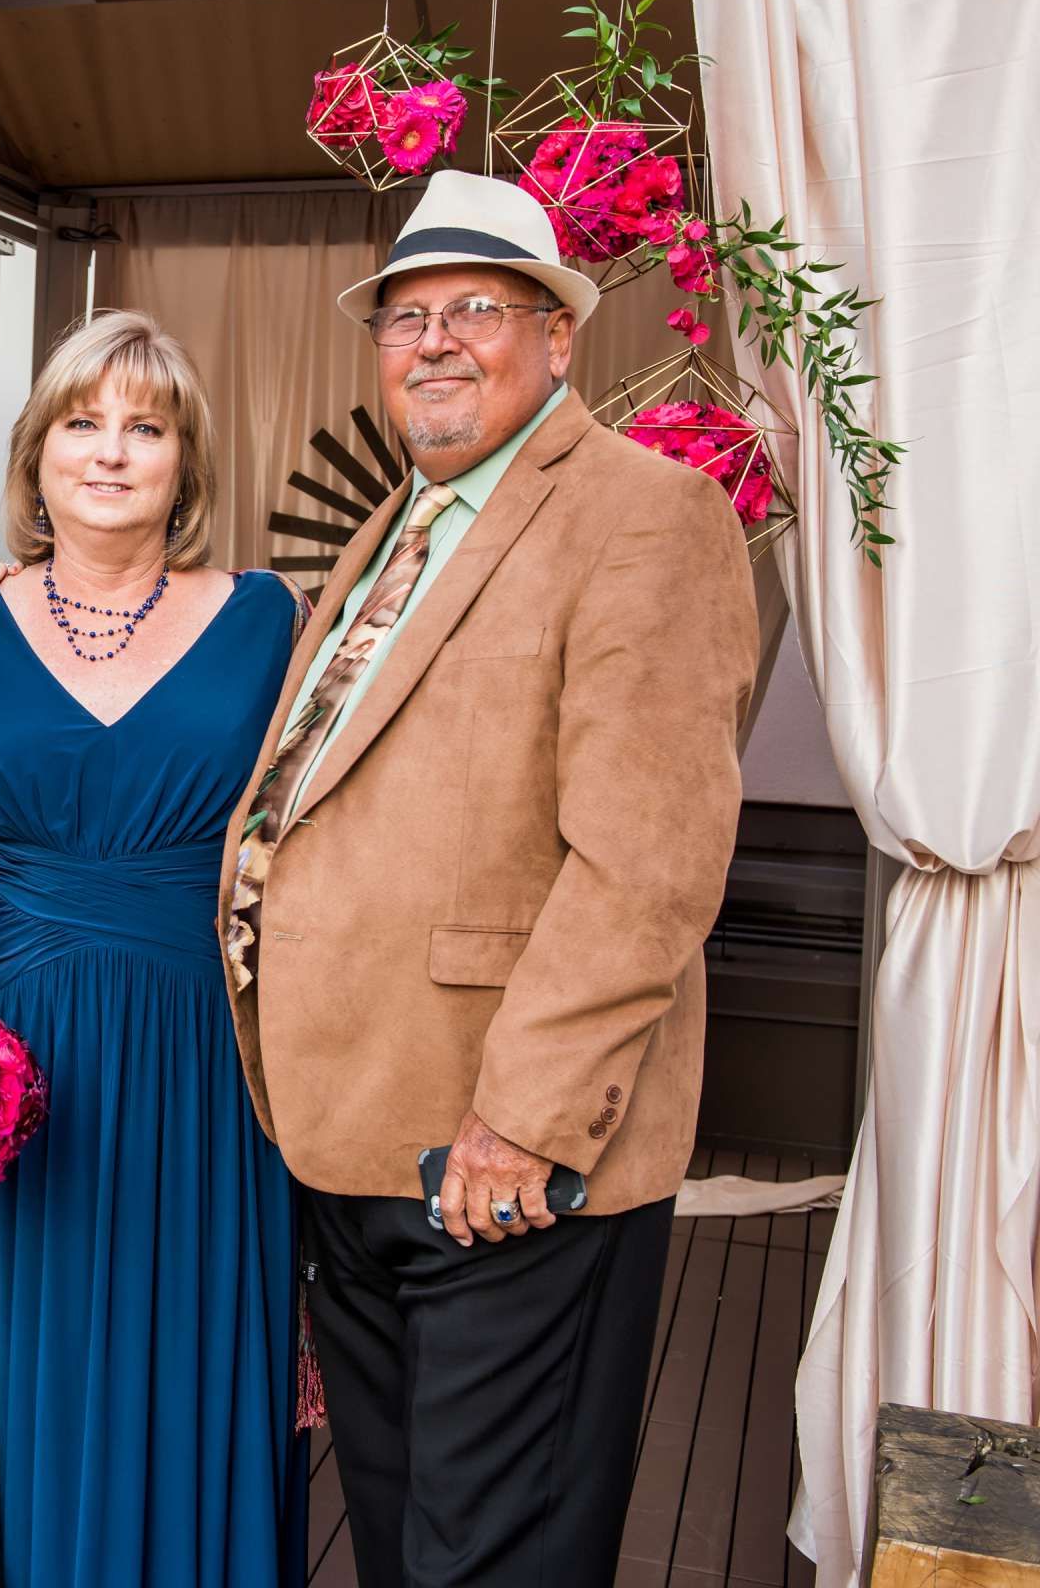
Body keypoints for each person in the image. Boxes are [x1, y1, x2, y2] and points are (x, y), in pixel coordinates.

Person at [216, 169, 756, 1584]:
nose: (434, 341)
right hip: (357, 1135)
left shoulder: (648, 513)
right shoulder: (396, 528)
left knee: (494, 1554)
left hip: (504, 1159)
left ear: (559, 337)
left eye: (476, 310)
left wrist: (521, 1122)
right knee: (403, 1541)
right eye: (406, 318)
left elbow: (648, 858)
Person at [0, 310, 310, 1587]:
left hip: (208, 1052)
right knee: (36, 1357)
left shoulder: (273, 622)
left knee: (199, 1341)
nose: (110, 452)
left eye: (144, 428)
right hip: (19, 1058)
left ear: (186, 463)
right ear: (36, 452)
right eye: (81, 424)